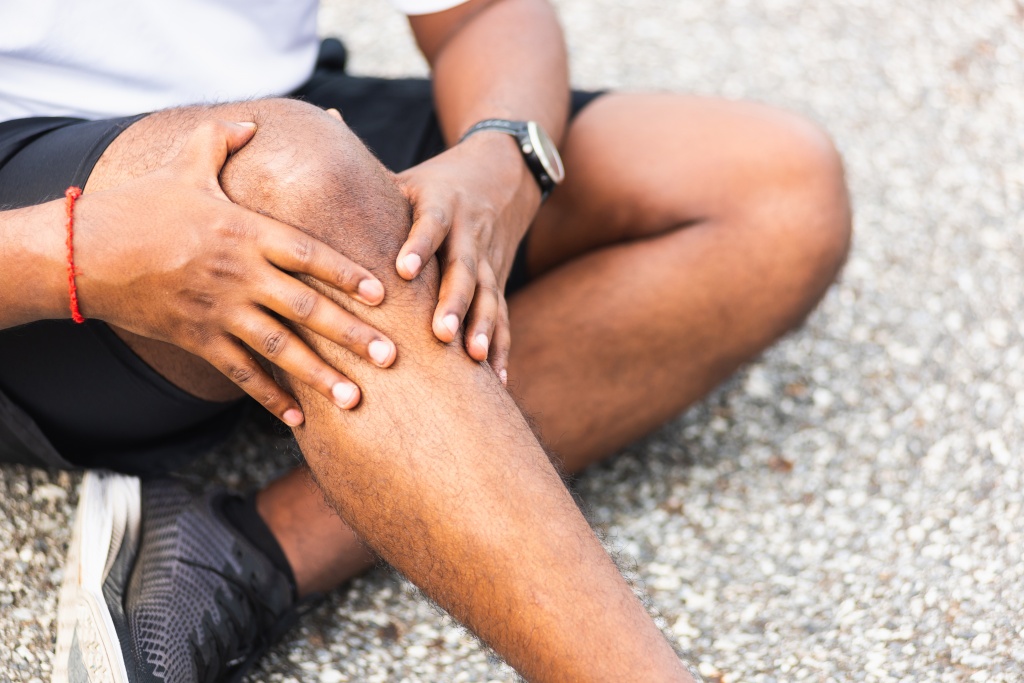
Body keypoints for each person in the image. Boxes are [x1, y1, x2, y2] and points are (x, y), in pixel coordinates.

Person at [0, 0, 851, 680]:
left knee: (777, 191)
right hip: (35, 241)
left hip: (280, 131)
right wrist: (79, 252)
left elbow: (483, 15)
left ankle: (244, 550)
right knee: (292, 179)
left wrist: (503, 159)